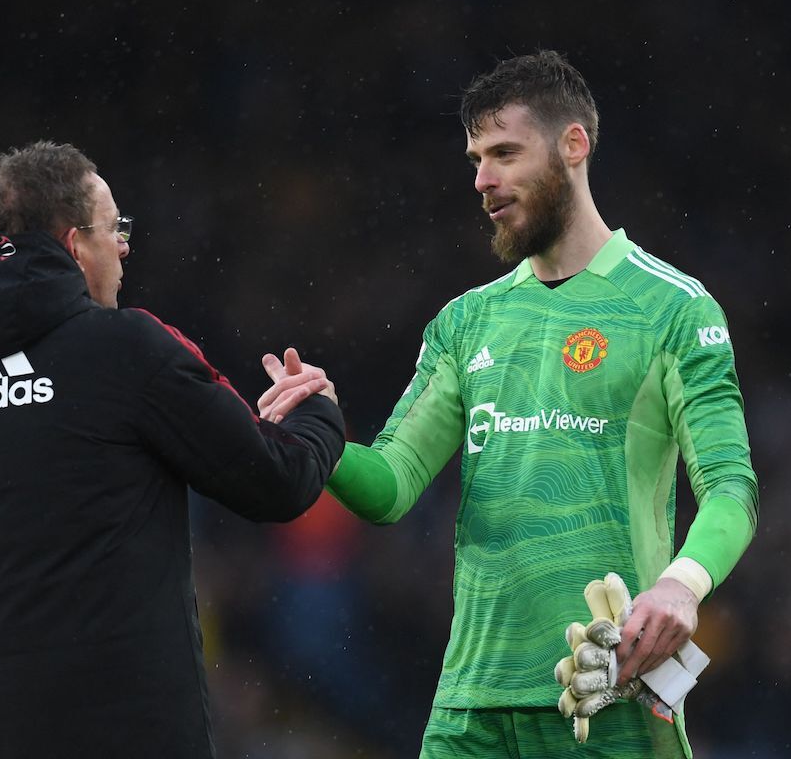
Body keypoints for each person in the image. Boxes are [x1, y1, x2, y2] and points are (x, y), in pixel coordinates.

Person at [259, 51, 757, 758]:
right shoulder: (467, 322)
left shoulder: (673, 309)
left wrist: (682, 585)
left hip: (608, 690)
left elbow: (730, 487)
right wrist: (323, 432)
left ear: (573, 145)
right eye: (475, 160)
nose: (482, 180)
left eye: (504, 154)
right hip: (471, 707)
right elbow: (391, 487)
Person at [0, 141, 345, 759]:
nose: (124, 247)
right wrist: (314, 409)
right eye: (114, 229)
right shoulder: (127, 350)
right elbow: (280, 481)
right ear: (74, 245)